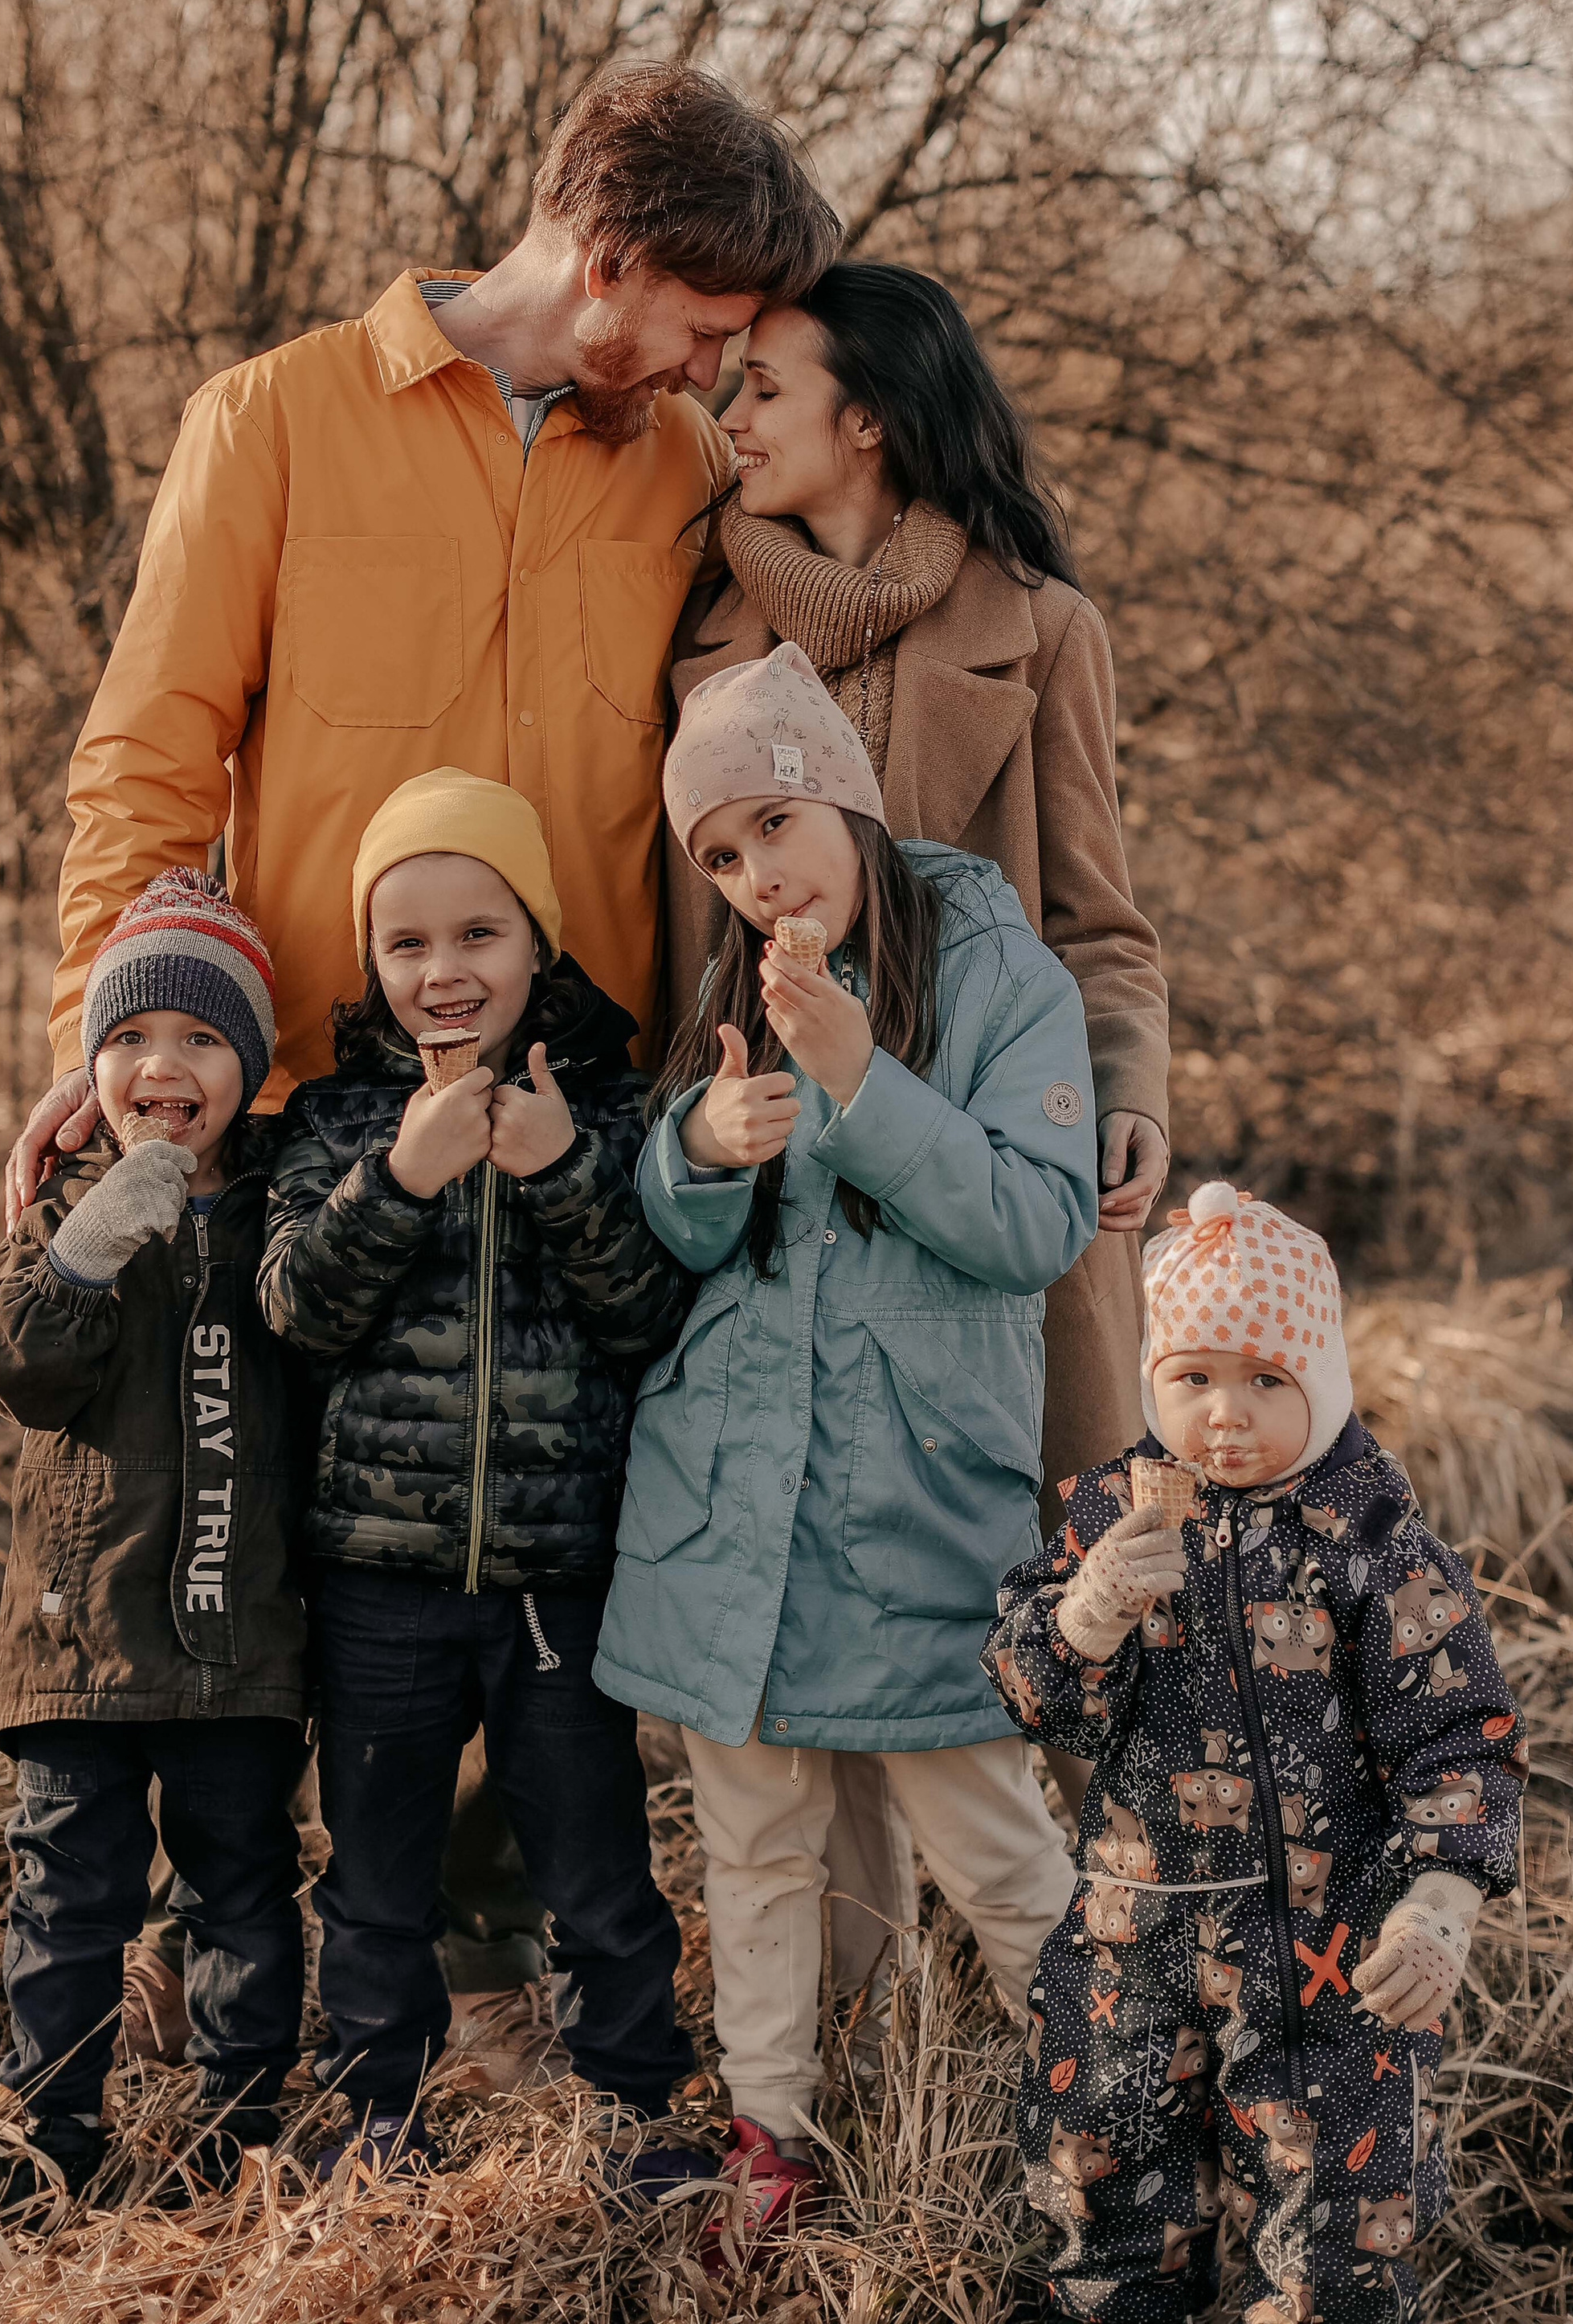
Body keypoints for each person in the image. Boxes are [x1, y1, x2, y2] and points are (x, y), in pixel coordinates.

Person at [0, 59, 837, 2026]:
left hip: (582, 1118)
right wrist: (102, 1047)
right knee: (307, 1561)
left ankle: (483, 1960)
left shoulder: (685, 474)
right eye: (707, 328)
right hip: (310, 1107)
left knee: (545, 1539)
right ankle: (274, 1978)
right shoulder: (277, 418)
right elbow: (146, 755)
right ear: (608, 262)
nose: (721, 371)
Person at [661, 256, 1172, 1962]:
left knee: (1037, 1603)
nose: (726, 419)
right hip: (775, 1214)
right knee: (812, 1619)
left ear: (865, 420)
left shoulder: (1040, 628)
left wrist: (1124, 1100)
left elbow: (1097, 922)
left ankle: (1084, 2021)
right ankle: (868, 2026)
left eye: (762, 391)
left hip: (987, 1182)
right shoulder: (701, 639)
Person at [596, 643, 1095, 2240]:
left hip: (915, 1504)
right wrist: (695, 1150)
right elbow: (675, 1239)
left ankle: (1132, 2109)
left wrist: (853, 1079)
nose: (751, 878)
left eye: (770, 829)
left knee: (992, 1842)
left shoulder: (999, 974)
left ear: (846, 804)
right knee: (751, 1847)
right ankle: (772, 2132)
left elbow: (1033, 1221)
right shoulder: (734, 978)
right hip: (729, 1504)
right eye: (718, 856)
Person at [258, 771, 708, 2188]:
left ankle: (636, 2116)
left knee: (596, 1870)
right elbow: (294, 1315)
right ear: (375, 962)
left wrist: (566, 1171)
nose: (444, 973)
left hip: (557, 1574)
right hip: (380, 1581)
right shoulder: (331, 1122)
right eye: (408, 945)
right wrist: (395, 1177)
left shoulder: (621, 1112)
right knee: (378, 1876)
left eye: (479, 935)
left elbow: (652, 1319)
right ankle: (378, 2126)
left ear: (539, 945)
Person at [984, 1184, 1528, 2324]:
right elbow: (1038, 1698)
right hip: (1133, 1947)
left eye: (1265, 1380)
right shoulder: (1111, 1522)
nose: (1224, 1415)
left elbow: (1460, 1736)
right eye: (1192, 1379)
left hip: (1331, 1961)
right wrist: (1089, 1615)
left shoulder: (1376, 1545)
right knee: (1104, 2218)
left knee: (1336, 2242)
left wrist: (1440, 1902)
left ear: (1320, 1382)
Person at [0, 874, 308, 2215]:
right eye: (131, 1040)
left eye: (203, 1040)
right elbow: (11, 1368)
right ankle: (49, 2133)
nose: (164, 1065)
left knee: (243, 1886)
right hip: (79, 1642)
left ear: (250, 1069)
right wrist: (86, 1254)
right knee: (67, 1897)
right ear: (90, 1068)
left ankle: (241, 2130)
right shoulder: (63, 1217)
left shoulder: (282, 1210)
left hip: (238, 1639)